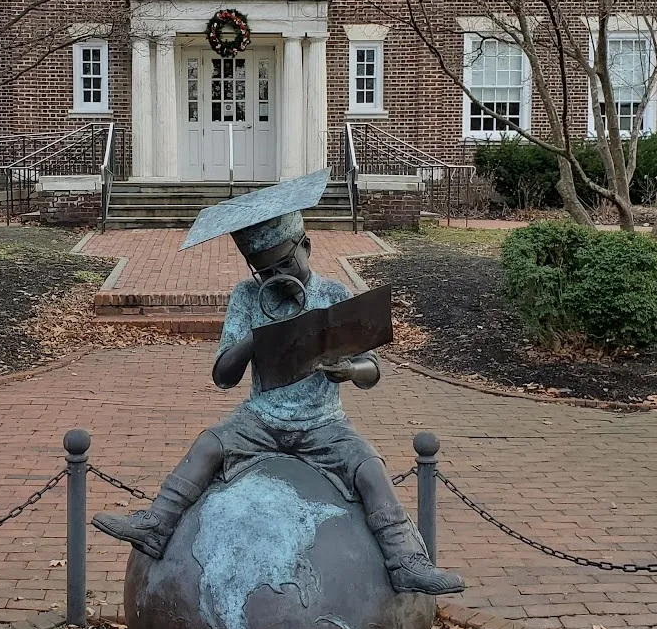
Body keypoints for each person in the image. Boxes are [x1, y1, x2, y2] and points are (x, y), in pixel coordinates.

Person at [93, 169, 465, 596]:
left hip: (324, 423)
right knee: (208, 445)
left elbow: (372, 370)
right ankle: (157, 525)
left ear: (306, 246)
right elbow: (222, 376)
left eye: (287, 263)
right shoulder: (247, 299)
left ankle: (405, 562)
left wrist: (350, 370)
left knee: (370, 469)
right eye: (266, 272)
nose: (278, 277)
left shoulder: (333, 295)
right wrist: (256, 336)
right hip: (261, 419)